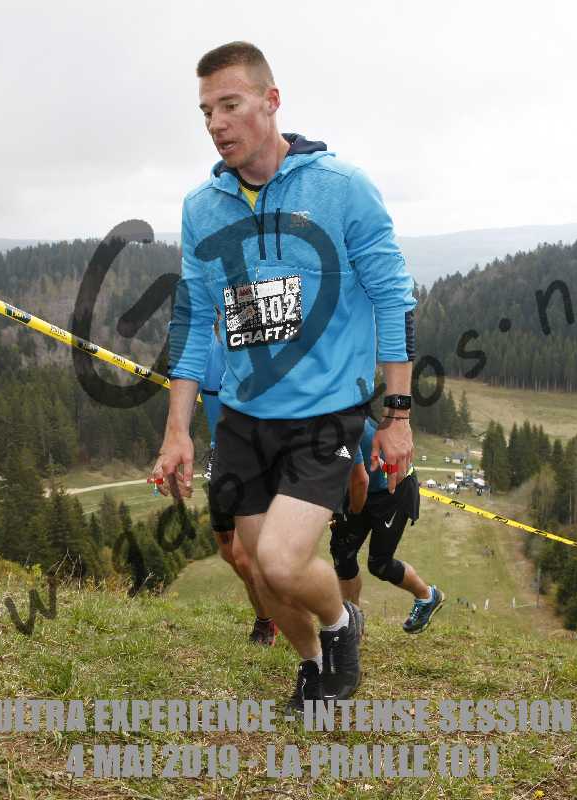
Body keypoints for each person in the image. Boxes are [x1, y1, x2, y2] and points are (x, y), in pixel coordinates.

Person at [151, 41, 417, 710]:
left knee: (281, 559)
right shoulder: (202, 206)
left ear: (272, 101)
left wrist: (397, 415)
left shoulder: (341, 187)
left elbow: (393, 298)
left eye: (230, 105)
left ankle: (340, 621)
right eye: (206, 111)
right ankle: (311, 663)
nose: (216, 124)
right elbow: (193, 321)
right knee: (258, 571)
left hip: (325, 414)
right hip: (244, 418)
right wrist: (177, 431)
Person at [200, 324, 278, 646]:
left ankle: (271, 617)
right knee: (229, 553)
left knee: (243, 555)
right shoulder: (206, 347)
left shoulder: (258, 346)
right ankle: (266, 616)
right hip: (219, 458)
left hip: (258, 458)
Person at [331, 416, 446, 633]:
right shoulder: (312, 425)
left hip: (393, 488)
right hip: (363, 483)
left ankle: (427, 596)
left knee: (379, 564)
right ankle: (352, 625)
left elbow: (358, 480)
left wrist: (345, 512)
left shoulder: (337, 426)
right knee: (342, 553)